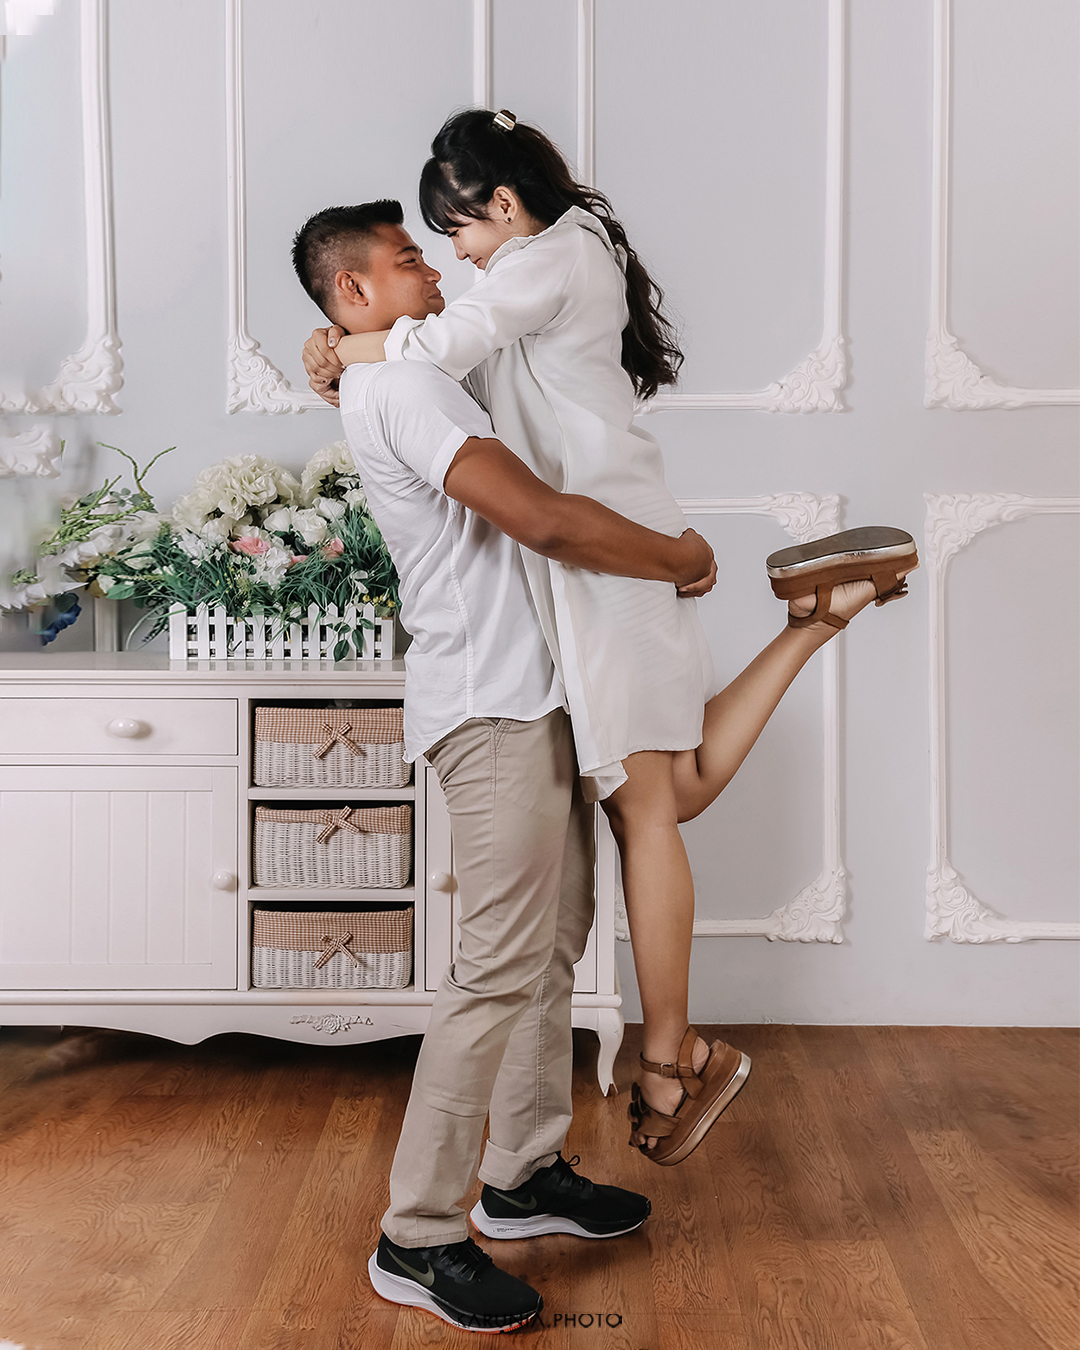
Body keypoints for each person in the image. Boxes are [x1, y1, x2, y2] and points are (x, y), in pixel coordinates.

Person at [301, 112, 919, 1166]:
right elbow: (452, 371)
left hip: (609, 551)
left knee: (651, 808)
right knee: (668, 789)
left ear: (502, 205)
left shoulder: (549, 256)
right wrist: (340, 342)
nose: (452, 260)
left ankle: (670, 1060)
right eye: (421, 251)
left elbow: (449, 353)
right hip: (609, 547)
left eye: (452, 233)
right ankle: (815, 624)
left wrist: (346, 340)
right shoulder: (545, 269)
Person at [291, 199, 720, 1334]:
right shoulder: (409, 388)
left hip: (534, 702)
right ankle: (416, 1236)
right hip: (488, 711)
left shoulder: (400, 367)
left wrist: (337, 359)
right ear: (353, 293)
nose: (430, 269)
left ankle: (522, 1177)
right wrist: (676, 560)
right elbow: (542, 520)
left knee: (547, 953)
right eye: (403, 259)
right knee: (495, 970)